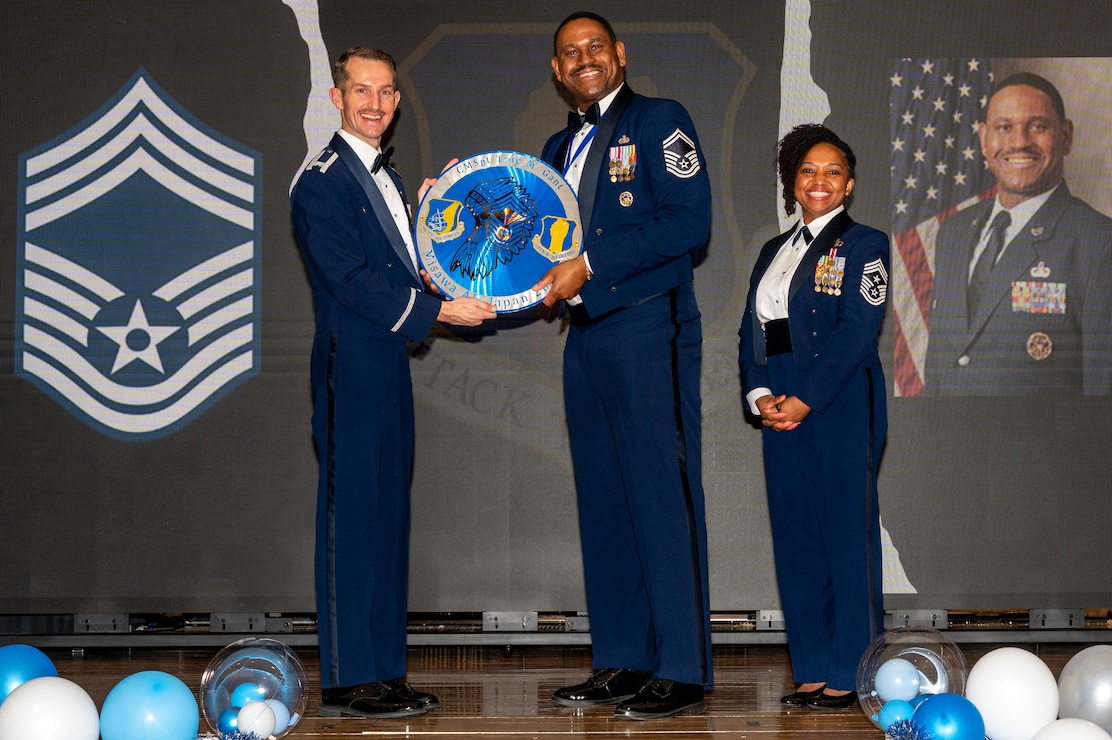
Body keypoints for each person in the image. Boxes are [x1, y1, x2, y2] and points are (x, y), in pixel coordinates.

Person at [290, 46, 496, 718]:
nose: (373, 103)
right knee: (353, 519)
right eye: (360, 91)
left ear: (397, 101)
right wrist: (440, 311)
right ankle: (350, 679)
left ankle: (384, 669)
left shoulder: (394, 181)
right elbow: (351, 282)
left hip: (386, 363)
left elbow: (412, 271)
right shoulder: (321, 181)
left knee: (386, 516)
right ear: (336, 98)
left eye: (384, 91)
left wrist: (442, 222)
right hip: (350, 359)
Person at [531, 11, 713, 721]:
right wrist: (457, 212)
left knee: (659, 497)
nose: (584, 59)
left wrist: (593, 265)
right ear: (556, 70)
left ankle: (682, 666)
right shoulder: (555, 145)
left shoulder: (661, 120)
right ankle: (623, 658)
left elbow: (687, 223)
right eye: (570, 53)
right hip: (586, 337)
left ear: (620, 55)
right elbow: (531, 240)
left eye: (595, 48)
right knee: (604, 503)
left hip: (647, 326)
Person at [737, 124, 887, 710]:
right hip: (781, 395)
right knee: (798, 539)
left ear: (848, 184)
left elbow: (858, 333)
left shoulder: (866, 244)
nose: (818, 180)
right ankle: (811, 668)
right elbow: (754, 334)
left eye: (831, 171)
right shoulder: (773, 251)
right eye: (807, 171)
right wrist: (761, 397)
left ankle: (852, 670)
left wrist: (807, 398)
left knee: (846, 539)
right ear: (792, 184)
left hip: (839, 396)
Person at [925, 72, 1112, 395]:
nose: (1019, 142)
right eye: (1004, 127)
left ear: (1066, 137)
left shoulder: (1098, 243)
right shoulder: (953, 232)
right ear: (983, 138)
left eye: (1037, 126)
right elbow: (941, 371)